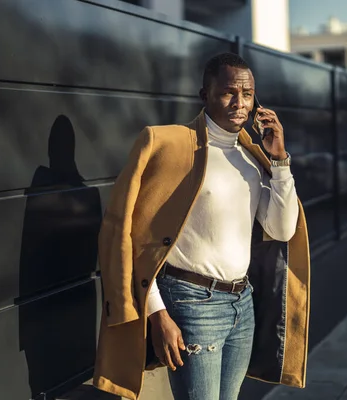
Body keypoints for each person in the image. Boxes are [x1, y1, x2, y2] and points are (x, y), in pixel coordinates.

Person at [93, 53, 310, 400]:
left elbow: (282, 231)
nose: (240, 103)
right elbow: (132, 238)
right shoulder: (167, 145)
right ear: (204, 95)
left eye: (248, 94)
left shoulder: (252, 159)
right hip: (191, 304)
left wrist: (280, 160)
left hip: (243, 304)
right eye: (228, 93)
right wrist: (157, 314)